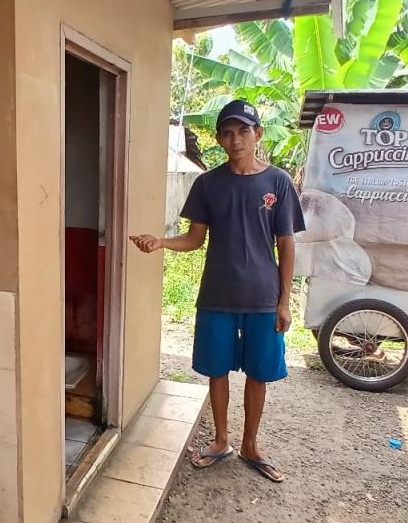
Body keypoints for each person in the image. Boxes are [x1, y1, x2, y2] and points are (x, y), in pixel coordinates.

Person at [130, 99, 304, 483]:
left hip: (262, 299)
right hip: (216, 297)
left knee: (259, 373)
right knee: (217, 370)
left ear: (258, 134)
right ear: (220, 140)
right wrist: (161, 242)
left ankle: (251, 445)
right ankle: (222, 440)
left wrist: (284, 301)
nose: (235, 139)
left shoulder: (278, 182)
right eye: (227, 133)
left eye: (243, 131)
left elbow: (286, 244)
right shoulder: (207, 184)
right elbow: (195, 239)